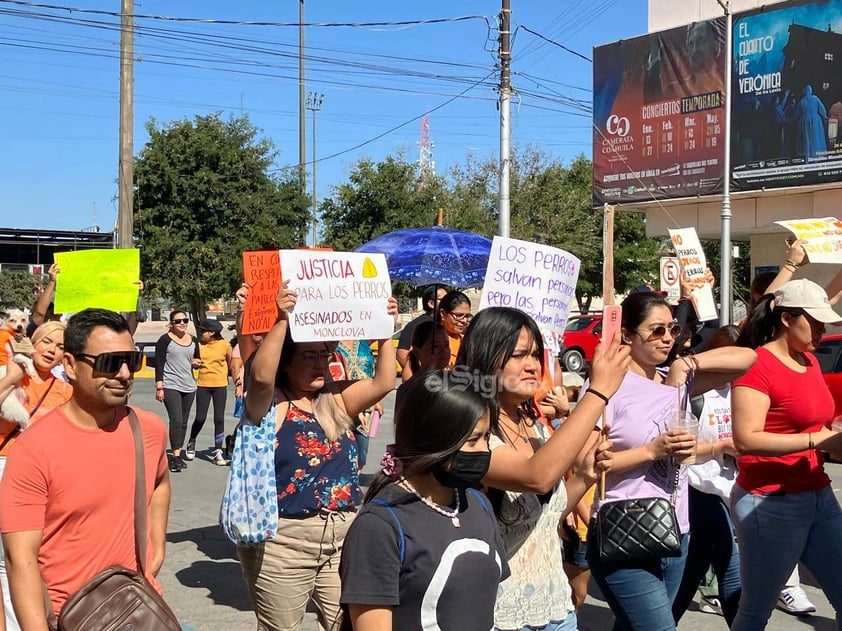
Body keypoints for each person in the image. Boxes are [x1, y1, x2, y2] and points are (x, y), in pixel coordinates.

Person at [585, 291, 756, 631]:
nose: (667, 339)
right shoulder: (607, 387)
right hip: (624, 529)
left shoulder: (675, 381)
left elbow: (749, 358)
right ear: (628, 336)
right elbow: (586, 465)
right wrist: (653, 451)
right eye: (656, 331)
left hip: (675, 531)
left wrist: (685, 363)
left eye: (673, 330)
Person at [457, 306, 630, 631]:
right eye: (519, 355)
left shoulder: (533, 424)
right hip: (501, 613)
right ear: (486, 357)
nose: (532, 365)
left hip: (555, 607)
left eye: (536, 354)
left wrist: (584, 475)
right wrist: (598, 392)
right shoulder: (472, 432)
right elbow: (536, 477)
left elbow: (544, 515)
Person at [237, 285, 398, 631]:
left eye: (324, 355)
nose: (320, 363)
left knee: (351, 625)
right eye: (309, 356)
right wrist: (282, 321)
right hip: (284, 544)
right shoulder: (270, 404)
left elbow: (385, 381)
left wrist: (386, 330)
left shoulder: (336, 399)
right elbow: (261, 375)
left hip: (342, 538)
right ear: (287, 362)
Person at [0, 308, 170, 628]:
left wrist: (155, 549)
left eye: (131, 362)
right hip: (72, 617)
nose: (123, 373)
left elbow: (161, 481)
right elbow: (19, 561)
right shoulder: (33, 449)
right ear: (70, 366)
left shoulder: (149, 430)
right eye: (109, 363)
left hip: (140, 609)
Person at [339, 370, 509, 630]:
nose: (485, 450)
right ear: (434, 439)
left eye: (487, 437)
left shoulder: (477, 503)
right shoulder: (380, 526)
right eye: (473, 440)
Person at [730, 279, 842, 631]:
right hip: (770, 502)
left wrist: (834, 431)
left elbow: (813, 420)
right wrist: (818, 440)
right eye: (816, 321)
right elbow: (746, 439)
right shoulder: (756, 364)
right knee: (754, 613)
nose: (823, 329)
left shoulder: (808, 359)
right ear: (786, 320)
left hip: (818, 494)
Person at [0, 321, 72, 631]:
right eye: (47, 342)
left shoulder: (65, 390)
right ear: (34, 342)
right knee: (6, 561)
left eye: (59, 347)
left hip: (40, 480)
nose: (51, 350)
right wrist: (13, 377)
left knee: (29, 557)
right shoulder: (11, 373)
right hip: (3, 467)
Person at [672, 324, 742, 626]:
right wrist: (721, 446)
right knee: (731, 568)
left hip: (732, 492)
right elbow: (679, 453)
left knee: (691, 572)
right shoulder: (697, 394)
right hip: (698, 491)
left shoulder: (743, 392)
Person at [155, 310, 201, 472]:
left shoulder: (194, 340)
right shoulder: (165, 340)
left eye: (185, 320)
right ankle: (174, 457)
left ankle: (178, 453)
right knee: (176, 419)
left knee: (183, 421)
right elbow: (159, 363)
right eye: (178, 321)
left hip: (189, 385)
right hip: (170, 384)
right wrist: (159, 386)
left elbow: (196, 359)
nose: (182, 323)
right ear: (171, 323)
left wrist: (196, 363)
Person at [185, 319, 233, 466]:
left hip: (220, 386)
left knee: (219, 419)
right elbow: (193, 362)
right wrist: (194, 364)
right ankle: (192, 440)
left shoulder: (225, 346)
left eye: (203, 331)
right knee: (200, 417)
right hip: (203, 386)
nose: (200, 333)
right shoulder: (198, 346)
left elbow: (231, 364)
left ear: (212, 333)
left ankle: (218, 451)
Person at [394, 320, 450, 413]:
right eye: (435, 347)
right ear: (417, 351)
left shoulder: (456, 383)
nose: (443, 351)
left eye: (446, 345)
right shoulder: (409, 389)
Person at [396, 284, 446, 378]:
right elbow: (401, 354)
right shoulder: (415, 325)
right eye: (444, 300)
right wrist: (418, 375)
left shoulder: (446, 324)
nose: (448, 302)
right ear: (431, 304)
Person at [439, 290, 472, 367]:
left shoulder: (466, 342)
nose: (464, 321)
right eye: (459, 315)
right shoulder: (429, 341)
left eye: (467, 316)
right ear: (443, 314)